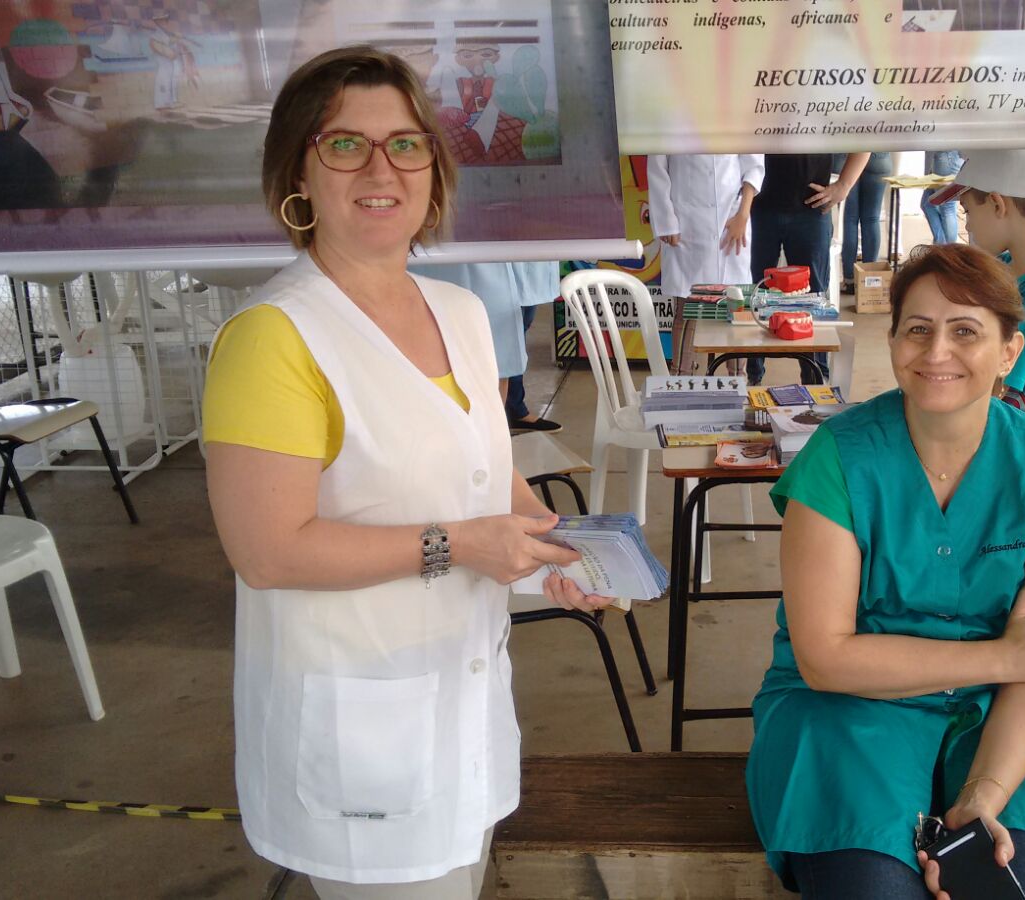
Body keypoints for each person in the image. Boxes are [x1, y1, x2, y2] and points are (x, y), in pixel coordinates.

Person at [200, 47, 611, 899]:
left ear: (434, 167)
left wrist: (560, 549)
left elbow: (486, 473)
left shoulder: (460, 311)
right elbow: (268, 552)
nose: (381, 169)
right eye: (345, 144)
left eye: (406, 144)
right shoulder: (274, 336)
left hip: (465, 708)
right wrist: (462, 546)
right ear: (299, 172)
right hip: (360, 735)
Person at [746, 242, 1025, 900]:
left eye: (965, 331)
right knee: (873, 888)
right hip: (849, 710)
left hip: (1012, 710)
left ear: (1009, 351)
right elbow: (826, 659)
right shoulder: (839, 459)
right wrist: (1005, 656)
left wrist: (984, 794)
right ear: (893, 343)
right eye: (917, 329)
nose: (937, 351)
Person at [933, 149, 1025, 433]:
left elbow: (994, 389)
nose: (968, 224)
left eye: (968, 211)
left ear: (997, 204)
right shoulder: (1008, 266)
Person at [746, 152, 870, 385]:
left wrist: (844, 185)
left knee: (813, 298)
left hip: (811, 209)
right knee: (753, 295)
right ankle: (752, 376)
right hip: (758, 206)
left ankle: (815, 378)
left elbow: (866, 139)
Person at [416, 261, 563, 432]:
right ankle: (507, 413)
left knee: (510, 339)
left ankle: (512, 411)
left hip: (510, 263)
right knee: (496, 343)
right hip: (474, 270)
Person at [646, 154, 765, 300]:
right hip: (686, 223)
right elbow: (657, 167)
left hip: (731, 217)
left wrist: (743, 215)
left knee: (735, 299)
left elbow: (754, 165)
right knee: (687, 300)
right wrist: (666, 220)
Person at [839, 152, 895, 294]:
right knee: (872, 218)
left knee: (849, 219)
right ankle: (870, 281)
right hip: (878, 155)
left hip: (846, 155)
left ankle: (850, 281)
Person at [920, 151, 962, 245]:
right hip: (942, 158)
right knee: (926, 204)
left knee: (948, 207)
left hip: (946, 157)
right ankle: (941, 243)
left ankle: (949, 248)